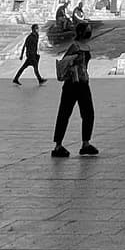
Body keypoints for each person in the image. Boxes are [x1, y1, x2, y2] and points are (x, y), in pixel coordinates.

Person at [51, 23, 98, 157]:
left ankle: (86, 143)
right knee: (64, 114)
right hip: (72, 83)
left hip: (83, 82)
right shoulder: (75, 46)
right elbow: (65, 62)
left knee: (88, 113)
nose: (90, 32)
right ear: (82, 32)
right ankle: (58, 146)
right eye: (87, 30)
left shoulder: (86, 46)